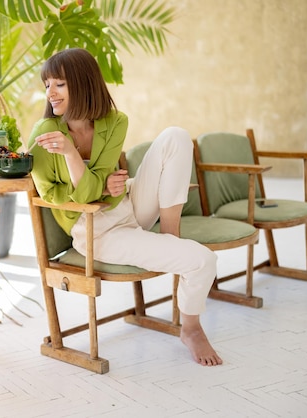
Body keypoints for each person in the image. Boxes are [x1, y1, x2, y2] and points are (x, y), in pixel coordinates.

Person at [28, 48, 223, 366]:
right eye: (47, 84)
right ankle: (192, 328)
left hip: (125, 206)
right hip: (94, 230)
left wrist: (105, 186)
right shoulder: (45, 135)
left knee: (176, 136)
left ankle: (170, 235)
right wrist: (72, 155)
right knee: (203, 260)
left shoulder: (113, 122)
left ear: (83, 83)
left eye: (59, 84)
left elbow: (105, 186)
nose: (50, 92)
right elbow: (66, 196)